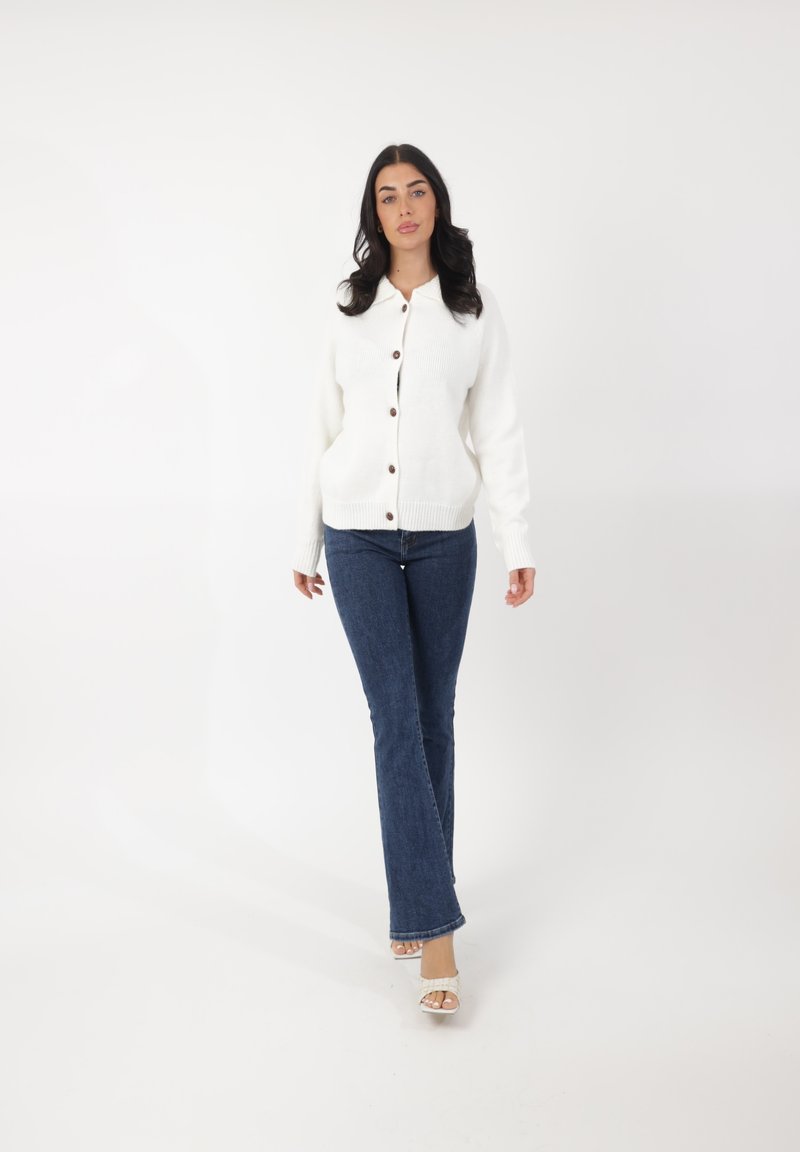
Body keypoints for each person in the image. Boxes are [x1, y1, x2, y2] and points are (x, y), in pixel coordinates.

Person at [291, 143, 536, 1015]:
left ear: (437, 203)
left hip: (444, 539)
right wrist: (306, 542)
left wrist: (517, 541)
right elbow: (319, 428)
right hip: (356, 533)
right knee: (395, 720)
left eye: (417, 191)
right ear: (374, 212)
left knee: (435, 721)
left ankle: (415, 900)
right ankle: (436, 934)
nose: (403, 208)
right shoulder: (346, 308)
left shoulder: (473, 309)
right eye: (388, 195)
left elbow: (498, 429)